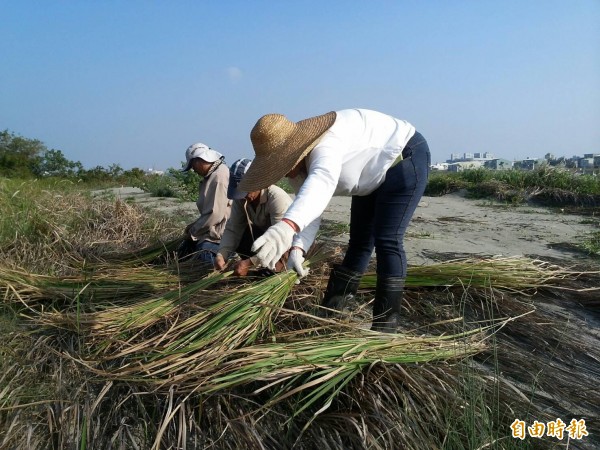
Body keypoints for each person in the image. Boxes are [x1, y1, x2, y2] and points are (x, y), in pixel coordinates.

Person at [237, 109, 430, 332]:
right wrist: (298, 248)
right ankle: (333, 312)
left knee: (387, 240)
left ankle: (385, 326)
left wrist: (286, 227)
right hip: (369, 179)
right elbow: (311, 209)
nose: (282, 173)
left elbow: (322, 183)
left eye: (281, 165)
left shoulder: (325, 146)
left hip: (403, 159)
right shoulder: (298, 171)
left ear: (294, 152)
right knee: (358, 243)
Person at [214, 158, 294, 276]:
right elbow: (233, 228)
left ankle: (268, 269)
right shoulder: (242, 199)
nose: (244, 197)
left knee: (268, 274)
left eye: (246, 191)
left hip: (286, 244)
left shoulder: (277, 199)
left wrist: (250, 263)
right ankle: (258, 265)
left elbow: (281, 240)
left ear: (258, 182)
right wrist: (221, 254)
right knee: (242, 235)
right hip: (265, 240)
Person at [180, 142, 231, 265]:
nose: (193, 170)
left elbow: (215, 214)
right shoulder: (212, 175)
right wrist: (194, 226)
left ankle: (227, 265)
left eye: (193, 166)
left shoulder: (219, 176)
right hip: (214, 229)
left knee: (203, 252)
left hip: (222, 233)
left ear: (198, 161)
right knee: (183, 251)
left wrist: (193, 231)